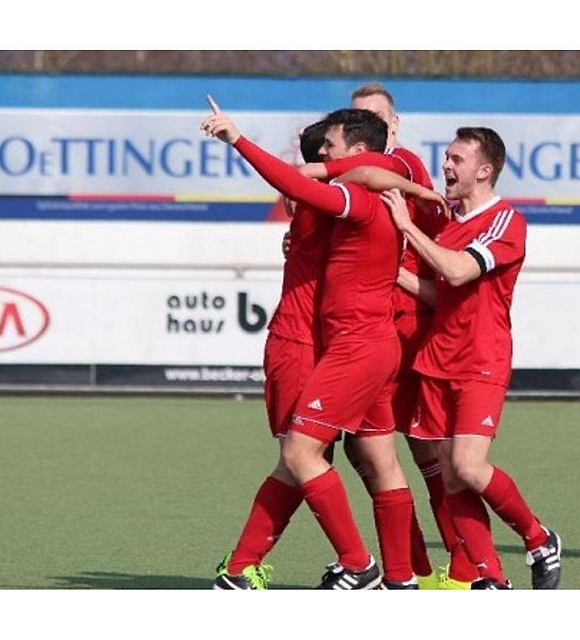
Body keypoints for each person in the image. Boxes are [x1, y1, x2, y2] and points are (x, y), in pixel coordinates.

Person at [203, 101, 430, 589]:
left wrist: (240, 140)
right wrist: (404, 185)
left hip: (320, 343)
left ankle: (348, 563)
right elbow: (373, 170)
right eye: (322, 147)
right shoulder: (369, 192)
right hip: (337, 340)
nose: (324, 153)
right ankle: (398, 578)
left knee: (302, 457)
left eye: (331, 145)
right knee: (362, 458)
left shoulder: (353, 196)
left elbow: (311, 180)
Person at [379, 127, 562, 590]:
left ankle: (538, 538)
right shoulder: (448, 224)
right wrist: (387, 270)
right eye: (445, 157)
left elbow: (458, 271)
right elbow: (437, 294)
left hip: (482, 359)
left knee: (468, 467)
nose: (446, 166)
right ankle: (491, 578)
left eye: (456, 159)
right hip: (436, 362)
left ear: (484, 170)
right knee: (453, 481)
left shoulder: (505, 221)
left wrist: (406, 229)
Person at [317, 82, 475, 588]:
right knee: (371, 455)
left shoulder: (399, 164)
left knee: (427, 453)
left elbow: (431, 255)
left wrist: (308, 170)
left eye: (376, 120)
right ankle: (414, 572)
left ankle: (464, 565)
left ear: (395, 127)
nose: (368, 129)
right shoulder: (362, 185)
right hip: (365, 327)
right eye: (355, 118)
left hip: (401, 328)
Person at [210, 120, 333, 589]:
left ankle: (241, 565)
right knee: (301, 457)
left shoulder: (335, 203)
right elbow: (288, 184)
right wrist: (238, 139)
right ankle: (357, 563)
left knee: (306, 459)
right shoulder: (321, 201)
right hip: (297, 345)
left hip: (325, 348)